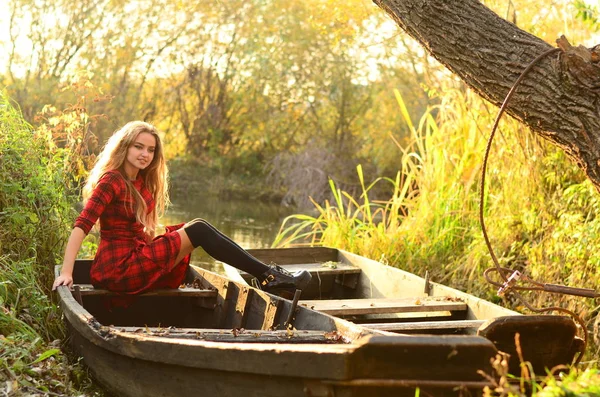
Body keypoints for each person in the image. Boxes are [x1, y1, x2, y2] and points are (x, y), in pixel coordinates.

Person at [52, 121, 311, 298]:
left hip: (135, 258)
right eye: (138, 147)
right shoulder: (112, 180)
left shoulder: (140, 183)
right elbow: (82, 225)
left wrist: (163, 244)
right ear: (124, 146)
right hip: (116, 269)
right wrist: (67, 272)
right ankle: (269, 276)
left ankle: (268, 276)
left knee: (195, 227)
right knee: (198, 229)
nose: (145, 154)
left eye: (151, 150)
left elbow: (145, 233)